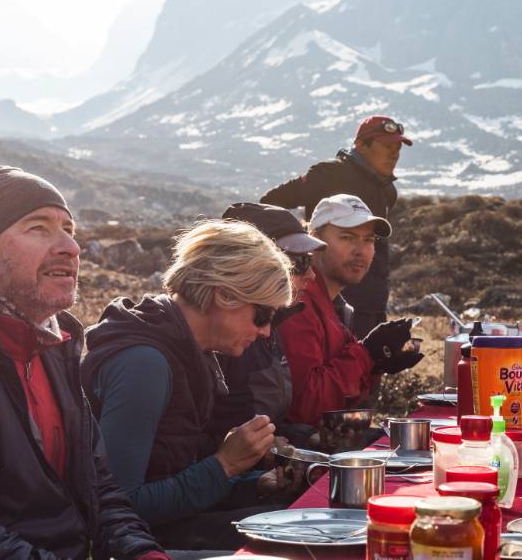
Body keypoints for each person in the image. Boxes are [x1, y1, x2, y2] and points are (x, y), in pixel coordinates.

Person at [0, 166, 165, 558]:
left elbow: (100, 490)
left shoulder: (51, 342)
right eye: (37, 228)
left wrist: (142, 552)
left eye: (68, 228)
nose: (71, 247)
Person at [82, 219, 295, 551]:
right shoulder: (145, 364)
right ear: (223, 294)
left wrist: (254, 484)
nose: (267, 332)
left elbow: (172, 472)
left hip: (169, 528)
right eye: (263, 315)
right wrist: (225, 465)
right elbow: (118, 507)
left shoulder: (189, 352)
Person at [279, 194, 423, 429]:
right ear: (313, 241)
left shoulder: (336, 305)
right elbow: (305, 404)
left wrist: (375, 363)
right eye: (347, 237)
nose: (361, 250)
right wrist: (367, 355)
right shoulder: (298, 303)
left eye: (368, 240)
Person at [261, 115, 411, 338]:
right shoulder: (328, 174)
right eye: (387, 145)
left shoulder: (387, 190)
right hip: (328, 296)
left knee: (371, 365)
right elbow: (270, 202)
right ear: (360, 145)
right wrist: (297, 248)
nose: (395, 153)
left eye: (398, 146)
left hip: (372, 298)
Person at [211, 202, 327, 445]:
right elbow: (209, 438)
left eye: (309, 260)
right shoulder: (219, 338)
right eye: (298, 263)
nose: (311, 275)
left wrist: (309, 438)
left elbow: (268, 419)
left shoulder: (272, 326)